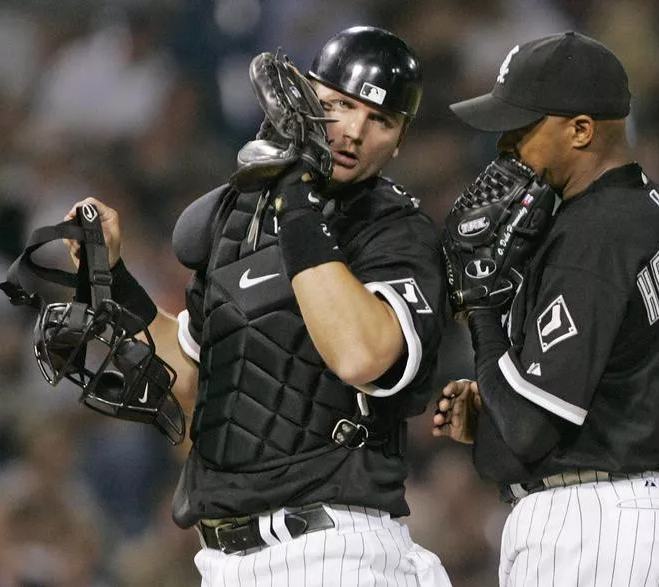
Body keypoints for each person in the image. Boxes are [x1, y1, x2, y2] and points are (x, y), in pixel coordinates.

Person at [65, 26, 451, 586]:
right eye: (340, 105)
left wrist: (295, 198)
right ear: (306, 98)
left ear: (400, 141)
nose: (353, 131)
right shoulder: (238, 221)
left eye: (380, 120)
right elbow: (196, 384)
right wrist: (115, 282)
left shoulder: (395, 232)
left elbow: (362, 356)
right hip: (225, 559)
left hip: (339, 552)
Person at [433, 31, 659, 586]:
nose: (504, 147)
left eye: (520, 128)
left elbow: (532, 429)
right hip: (640, 510)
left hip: (597, 525)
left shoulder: (593, 232)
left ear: (581, 130)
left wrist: (482, 311)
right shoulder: (650, 210)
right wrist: (498, 397)